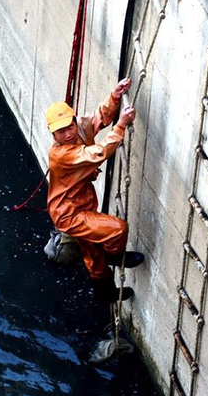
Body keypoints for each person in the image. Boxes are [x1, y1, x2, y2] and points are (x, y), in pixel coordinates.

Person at [46, 77, 144, 302]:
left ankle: (107, 295)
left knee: (93, 260)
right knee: (118, 229)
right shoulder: (60, 155)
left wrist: (115, 95)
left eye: (69, 127)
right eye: (60, 132)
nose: (68, 134)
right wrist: (120, 126)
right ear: (53, 135)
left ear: (73, 121)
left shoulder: (79, 126)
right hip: (69, 214)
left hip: (83, 202)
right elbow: (97, 153)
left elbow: (100, 117)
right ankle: (114, 257)